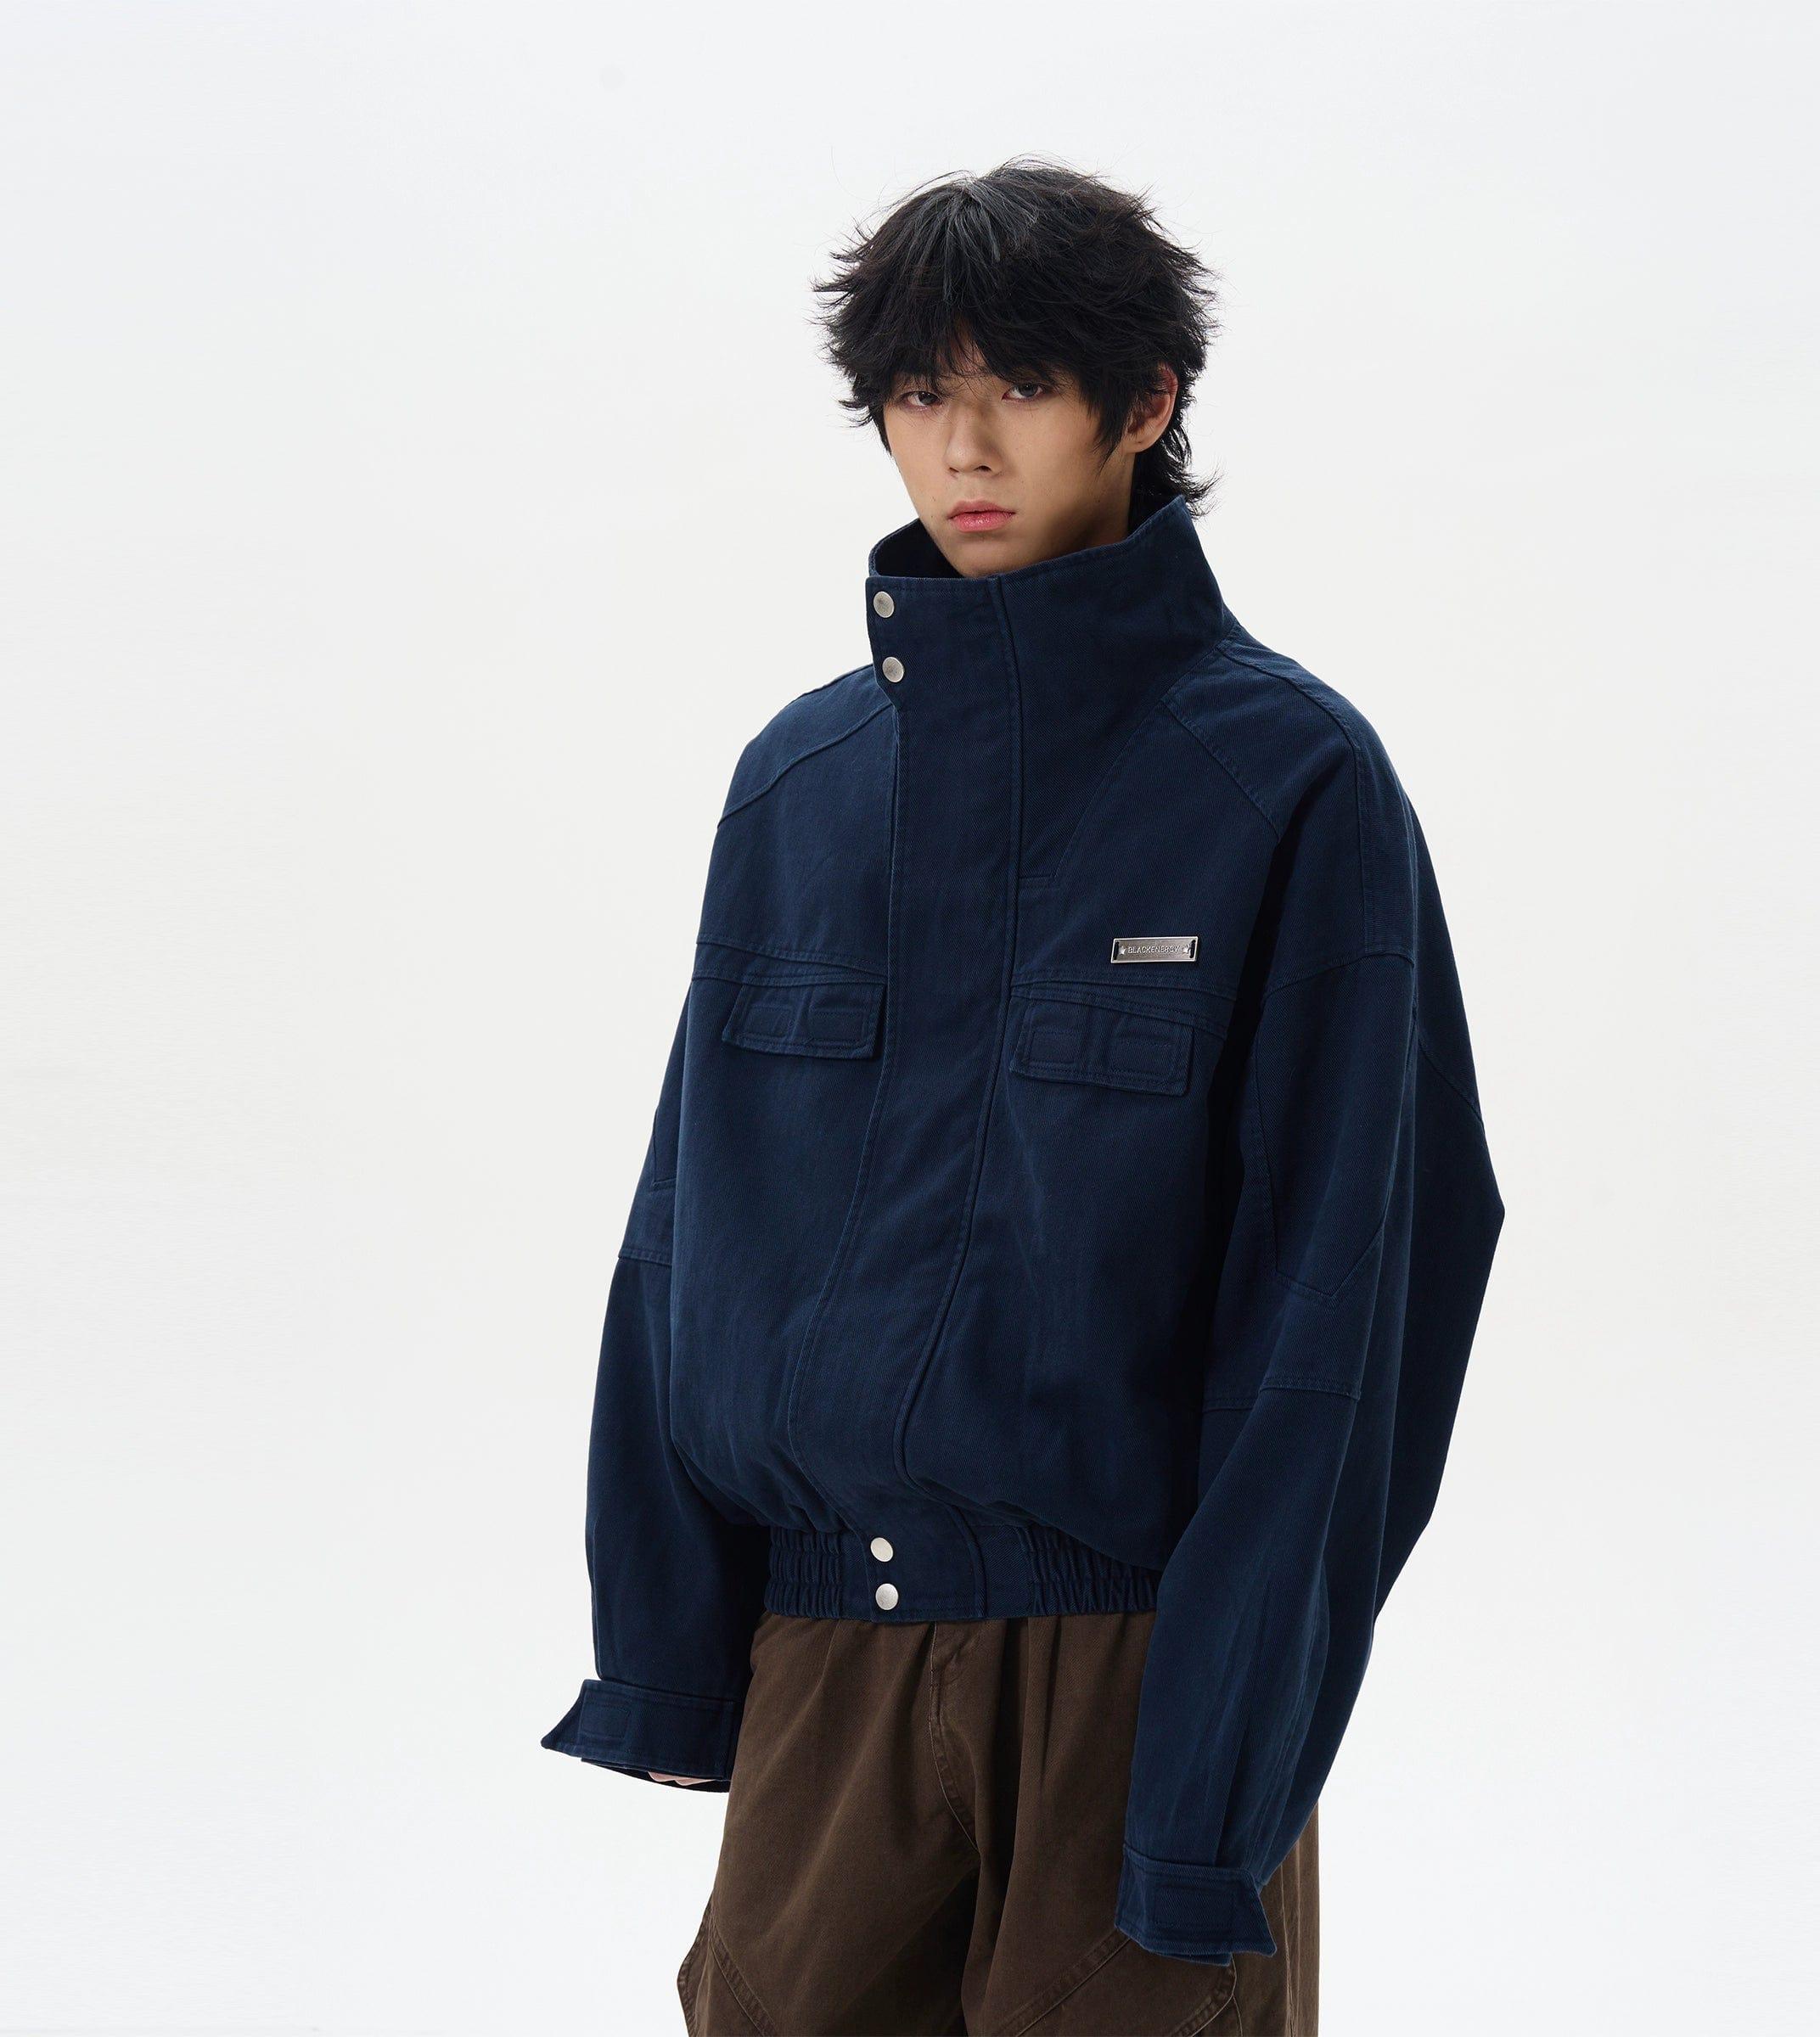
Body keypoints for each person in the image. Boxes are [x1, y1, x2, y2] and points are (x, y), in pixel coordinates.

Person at [542, 157, 1504, 2036]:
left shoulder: (1287, 784)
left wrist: (1221, 1763)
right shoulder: (802, 783)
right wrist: (668, 1650)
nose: (964, 447)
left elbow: (1347, 1313)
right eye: (920, 395)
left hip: (1134, 1676)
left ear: (1144, 404)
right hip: (829, 1660)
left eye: (1023, 389)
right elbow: (686, 1237)